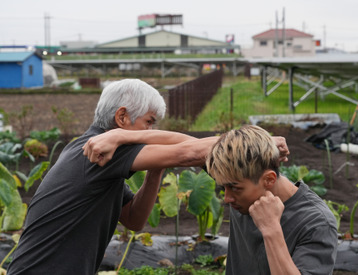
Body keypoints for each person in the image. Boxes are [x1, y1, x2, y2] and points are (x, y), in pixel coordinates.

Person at [7, 78, 290, 274]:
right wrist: (257, 142)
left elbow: (134, 219)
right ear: (122, 118)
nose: (150, 132)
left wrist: (156, 169)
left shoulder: (94, 152)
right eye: (149, 123)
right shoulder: (100, 152)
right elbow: (188, 153)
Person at [206, 125, 338, 275]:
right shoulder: (239, 176)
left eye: (234, 188)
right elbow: (184, 147)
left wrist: (271, 228)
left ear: (269, 179)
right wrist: (257, 144)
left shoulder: (316, 223)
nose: (227, 198)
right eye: (223, 187)